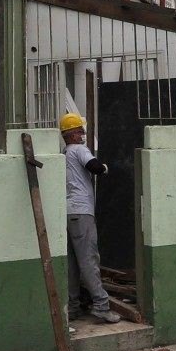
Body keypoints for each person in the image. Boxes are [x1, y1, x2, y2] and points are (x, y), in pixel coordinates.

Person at [59, 113, 121, 325]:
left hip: (67, 212)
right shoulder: (79, 150)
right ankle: (101, 306)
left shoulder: (64, 153)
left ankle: (73, 307)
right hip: (82, 211)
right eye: (80, 131)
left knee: (72, 264)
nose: (83, 134)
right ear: (72, 134)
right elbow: (94, 167)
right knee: (88, 260)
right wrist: (105, 168)